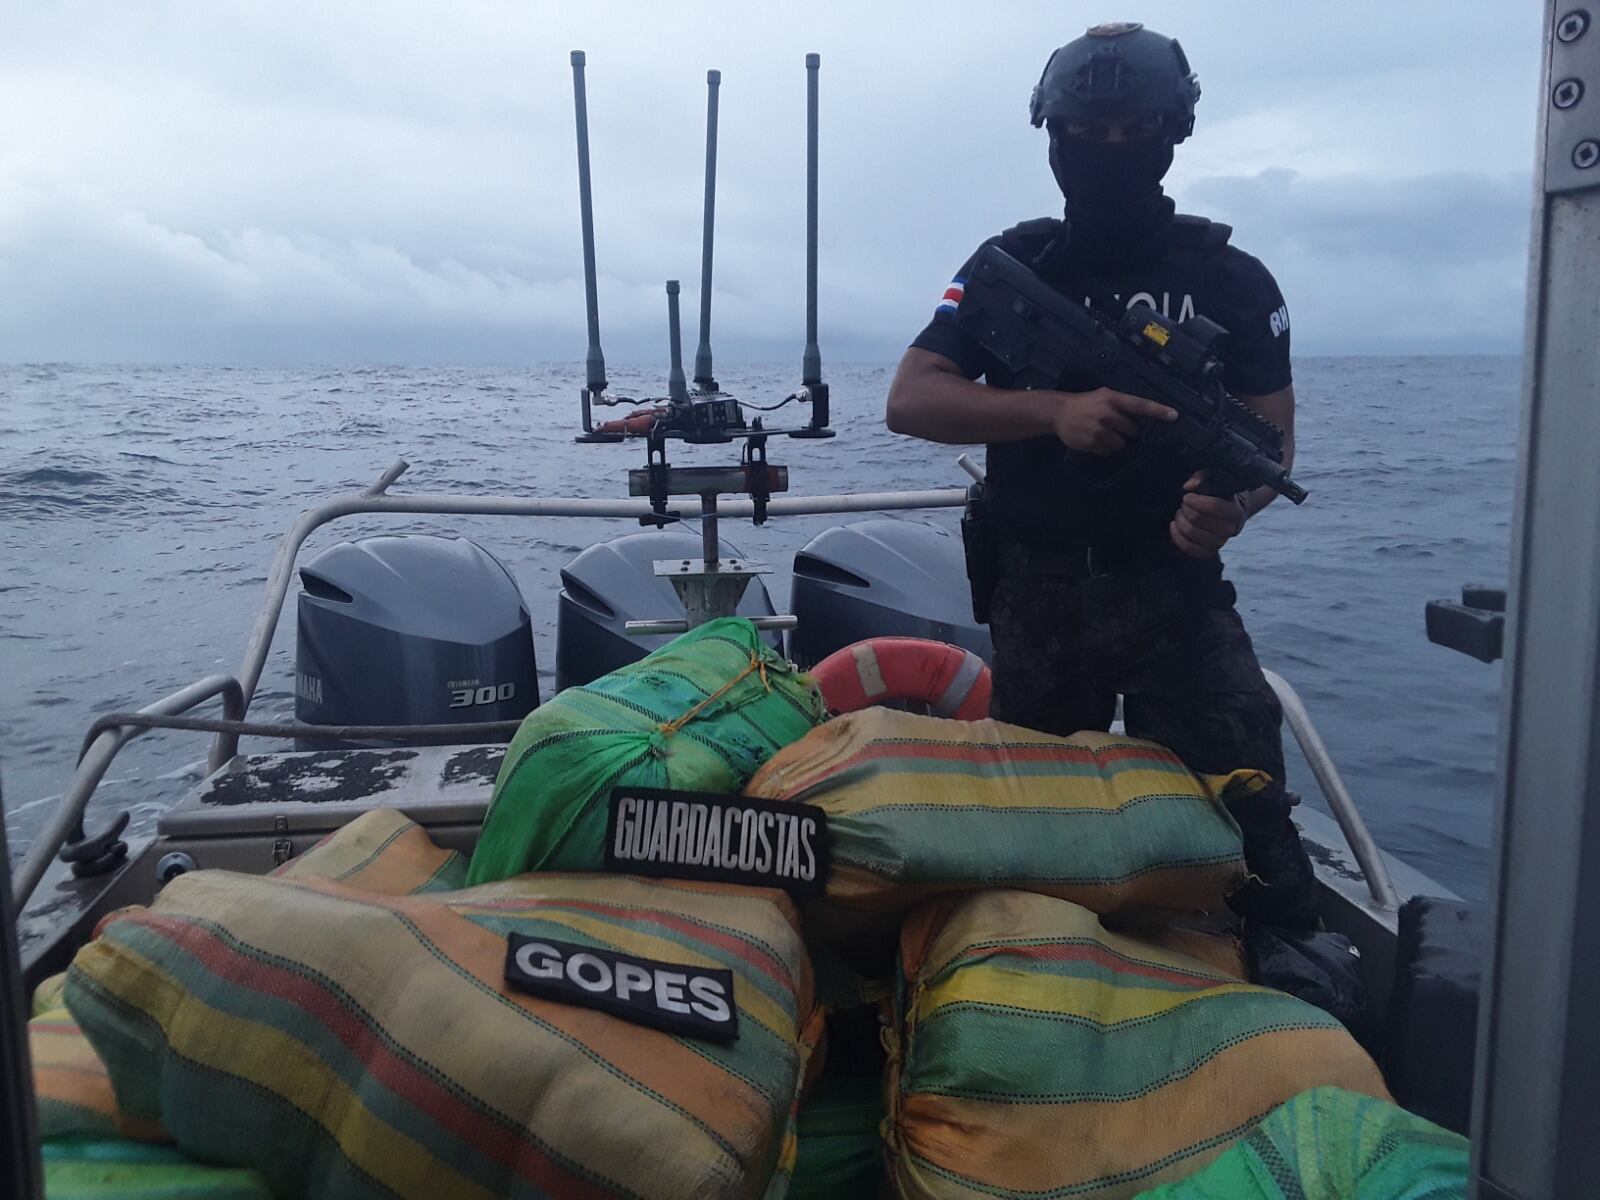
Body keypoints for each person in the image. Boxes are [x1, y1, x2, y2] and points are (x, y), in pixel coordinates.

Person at [884, 21, 1317, 929]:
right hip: (1039, 594)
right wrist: (1053, 413)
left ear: (1172, 136)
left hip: (1178, 596)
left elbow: (1272, 443)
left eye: (1133, 134)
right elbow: (913, 398)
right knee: (1029, 850)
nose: (1111, 153)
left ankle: (1281, 972)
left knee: (1250, 823)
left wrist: (1229, 507)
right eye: (1089, 135)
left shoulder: (1233, 280)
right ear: (1054, 140)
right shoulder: (1011, 267)